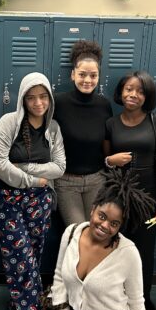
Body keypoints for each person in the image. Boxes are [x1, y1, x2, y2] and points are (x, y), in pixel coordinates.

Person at [0, 72, 66, 310]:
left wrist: (23, 167)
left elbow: (60, 167)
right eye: (31, 97)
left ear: (50, 98)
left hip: (40, 202)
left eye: (43, 96)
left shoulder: (52, 128)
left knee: (32, 255)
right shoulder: (9, 122)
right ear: (23, 99)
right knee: (19, 258)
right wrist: (33, 179)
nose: (38, 103)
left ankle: (18, 308)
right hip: (7, 200)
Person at [103, 70, 156, 310]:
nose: (133, 95)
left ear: (148, 96)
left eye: (140, 91)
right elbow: (103, 163)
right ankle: (116, 300)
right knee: (114, 250)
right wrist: (110, 159)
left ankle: (142, 300)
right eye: (128, 89)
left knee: (143, 254)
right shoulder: (111, 124)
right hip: (118, 198)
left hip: (149, 202)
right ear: (121, 92)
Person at [50, 168, 154, 310]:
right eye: (102, 216)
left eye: (114, 223)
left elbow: (136, 303)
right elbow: (59, 277)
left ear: (120, 226)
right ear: (93, 210)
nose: (105, 226)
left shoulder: (128, 252)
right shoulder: (71, 233)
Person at [53, 40, 113, 226]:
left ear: (98, 77)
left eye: (93, 75)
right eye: (82, 74)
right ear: (73, 75)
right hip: (66, 181)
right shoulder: (58, 103)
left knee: (96, 230)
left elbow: (106, 143)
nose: (87, 80)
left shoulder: (104, 105)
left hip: (96, 180)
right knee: (78, 232)